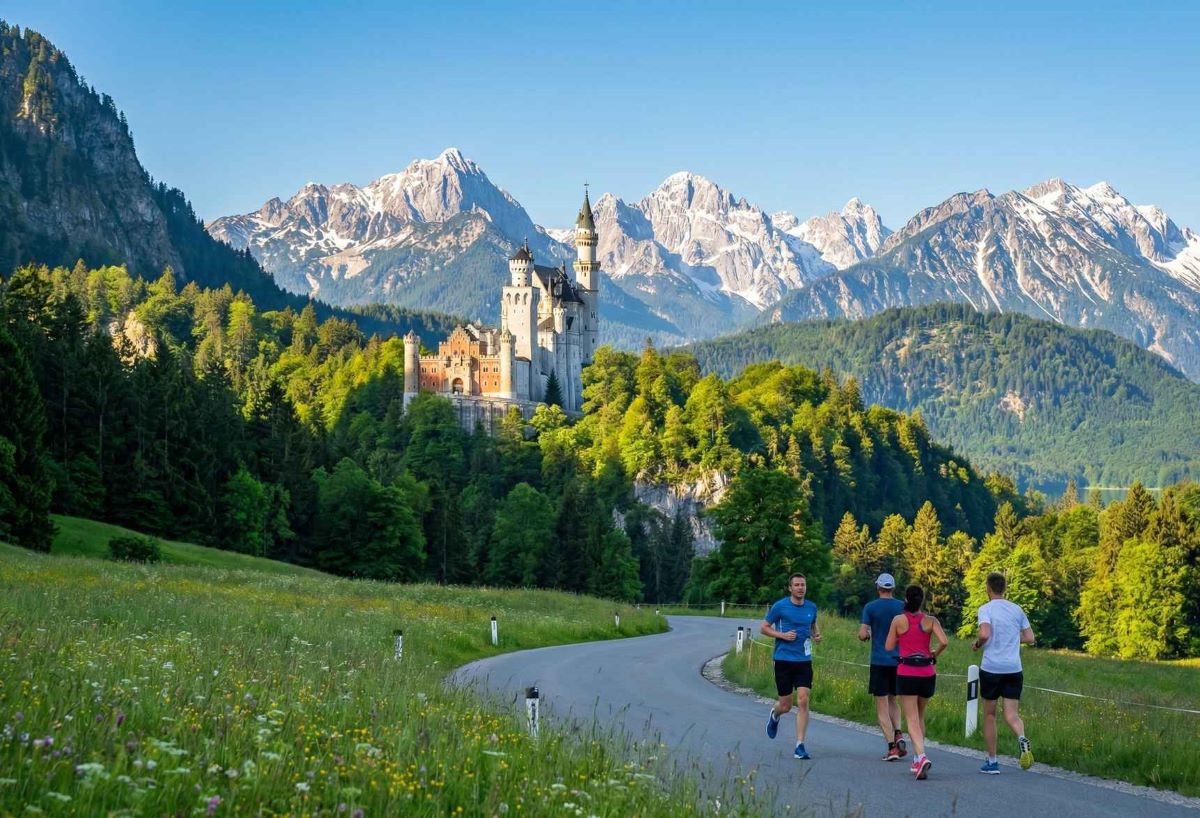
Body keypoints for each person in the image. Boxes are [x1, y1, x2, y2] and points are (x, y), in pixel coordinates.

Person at [971, 571, 1036, 774]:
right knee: (1011, 714)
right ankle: (1021, 738)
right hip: (1014, 669)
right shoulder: (1017, 609)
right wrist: (1012, 638)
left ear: (988, 588)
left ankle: (992, 762)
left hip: (992, 668)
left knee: (990, 715)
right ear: (1004, 588)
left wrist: (978, 643)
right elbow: (1030, 637)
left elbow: (984, 633)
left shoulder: (985, 609)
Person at [885, 584, 947, 780]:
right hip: (927, 672)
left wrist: (901, 638)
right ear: (922, 600)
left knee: (910, 718)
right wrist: (934, 653)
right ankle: (916, 757)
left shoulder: (898, 620)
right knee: (920, 716)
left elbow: (888, 646)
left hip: (907, 672)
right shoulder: (931, 621)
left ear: (906, 599)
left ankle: (921, 756)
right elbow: (944, 641)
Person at [761, 572, 822, 760]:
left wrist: (816, 635)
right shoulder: (780, 606)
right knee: (786, 705)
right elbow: (764, 627)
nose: (800, 588)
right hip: (783, 660)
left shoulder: (812, 607)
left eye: (803, 585)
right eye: (796, 585)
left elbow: (812, 625)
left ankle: (800, 745)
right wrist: (782, 636)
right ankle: (775, 714)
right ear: (790, 588)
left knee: (803, 700)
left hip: (804, 660)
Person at [858, 572, 907, 761]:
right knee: (894, 700)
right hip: (899, 661)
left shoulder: (870, 607)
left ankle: (891, 747)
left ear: (878, 587)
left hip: (879, 660)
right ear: (892, 588)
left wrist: (868, 635)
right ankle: (899, 732)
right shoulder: (902, 607)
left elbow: (862, 634)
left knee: (881, 705)